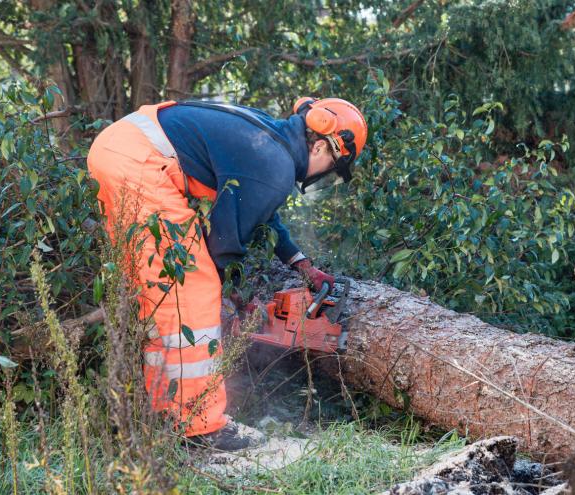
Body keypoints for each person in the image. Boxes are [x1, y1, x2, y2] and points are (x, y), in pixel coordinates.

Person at [86, 97, 367, 451]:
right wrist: (235, 297)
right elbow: (225, 246)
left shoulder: (272, 144)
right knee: (192, 288)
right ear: (322, 144)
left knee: (161, 295)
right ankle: (202, 427)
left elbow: (263, 213)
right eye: (331, 165)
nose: (324, 173)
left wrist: (301, 264)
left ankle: (164, 412)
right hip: (138, 163)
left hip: (120, 151)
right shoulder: (276, 164)